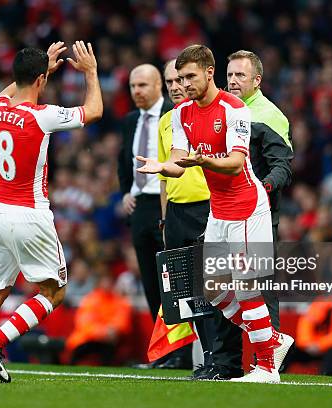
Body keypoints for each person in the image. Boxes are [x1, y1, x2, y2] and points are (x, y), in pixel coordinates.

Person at [0, 41, 102, 383]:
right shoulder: (42, 116)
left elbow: (13, 90)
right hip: (30, 213)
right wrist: (90, 72)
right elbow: (94, 111)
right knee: (53, 292)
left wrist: (39, 70)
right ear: (42, 80)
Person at [137, 44, 291, 383]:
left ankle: (267, 368)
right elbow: (178, 163)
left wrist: (205, 161)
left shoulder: (234, 108)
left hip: (248, 207)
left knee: (246, 287)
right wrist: (160, 165)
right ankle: (272, 338)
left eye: (191, 76)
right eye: (180, 78)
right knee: (213, 293)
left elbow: (237, 164)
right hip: (218, 211)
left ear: (209, 73)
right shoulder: (181, 114)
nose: (185, 84)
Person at [197, 50, 295, 380]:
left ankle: (267, 366)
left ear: (257, 81)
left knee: (257, 289)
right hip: (224, 211)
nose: (233, 81)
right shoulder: (221, 108)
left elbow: (283, 164)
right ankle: (239, 360)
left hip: (257, 213)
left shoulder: (269, 116)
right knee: (220, 286)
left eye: (241, 75)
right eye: (230, 75)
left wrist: (263, 188)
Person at [157, 58, 211, 370]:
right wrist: (165, 220)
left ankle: (220, 357)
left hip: (207, 208)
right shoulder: (167, 121)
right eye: (170, 83)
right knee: (187, 293)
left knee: (211, 289)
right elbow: (164, 179)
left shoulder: (210, 113)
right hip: (177, 213)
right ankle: (206, 358)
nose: (176, 87)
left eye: (181, 80)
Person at [117, 64, 174, 322]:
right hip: (139, 207)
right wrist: (126, 192)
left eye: (142, 85)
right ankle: (162, 351)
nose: (136, 91)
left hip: (165, 204)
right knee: (150, 282)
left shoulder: (173, 113)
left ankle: (180, 352)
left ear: (158, 85)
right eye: (132, 86)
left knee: (171, 281)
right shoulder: (130, 121)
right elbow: (123, 162)